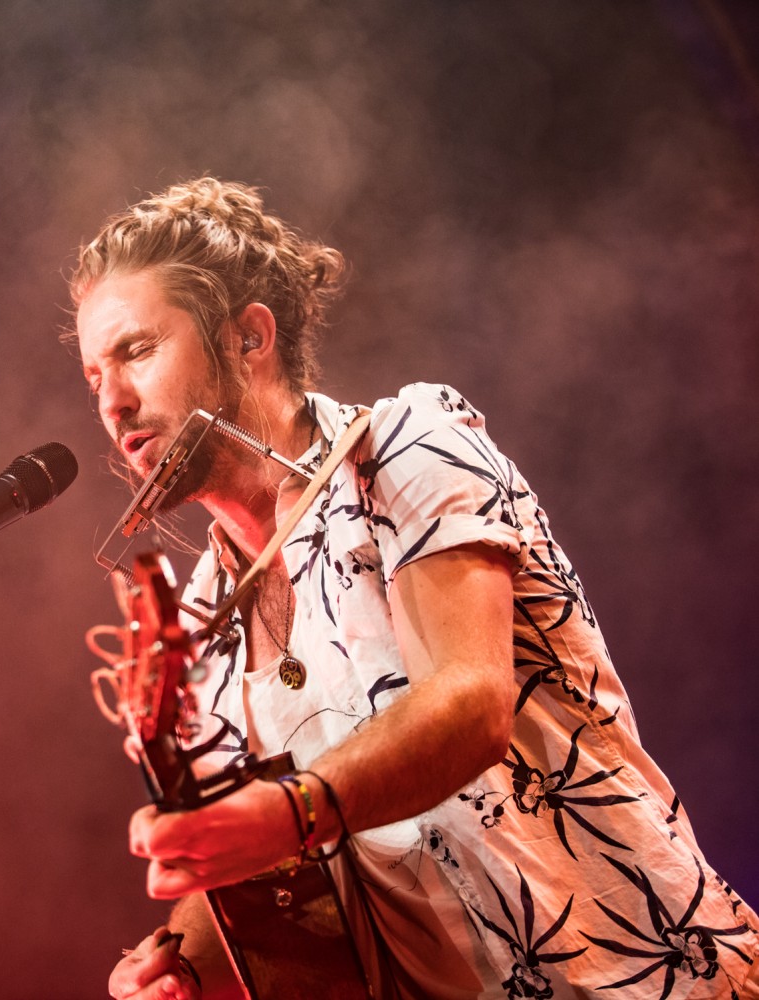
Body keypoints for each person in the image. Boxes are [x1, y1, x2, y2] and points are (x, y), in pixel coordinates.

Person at [71, 178, 759, 999]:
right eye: (91, 377)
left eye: (136, 351)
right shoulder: (197, 616)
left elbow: (469, 701)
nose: (111, 402)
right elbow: (260, 866)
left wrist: (292, 812)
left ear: (249, 337)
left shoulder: (401, 444)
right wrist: (174, 957)